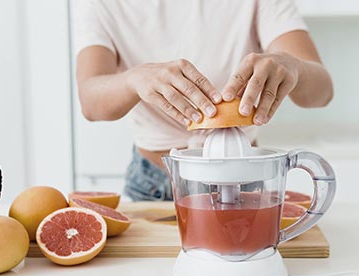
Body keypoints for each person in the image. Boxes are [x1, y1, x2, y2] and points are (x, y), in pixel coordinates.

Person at [74, 0, 333, 201]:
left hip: (245, 177)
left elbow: (323, 91)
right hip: (152, 184)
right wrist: (134, 80)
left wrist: (294, 67)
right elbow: (90, 100)